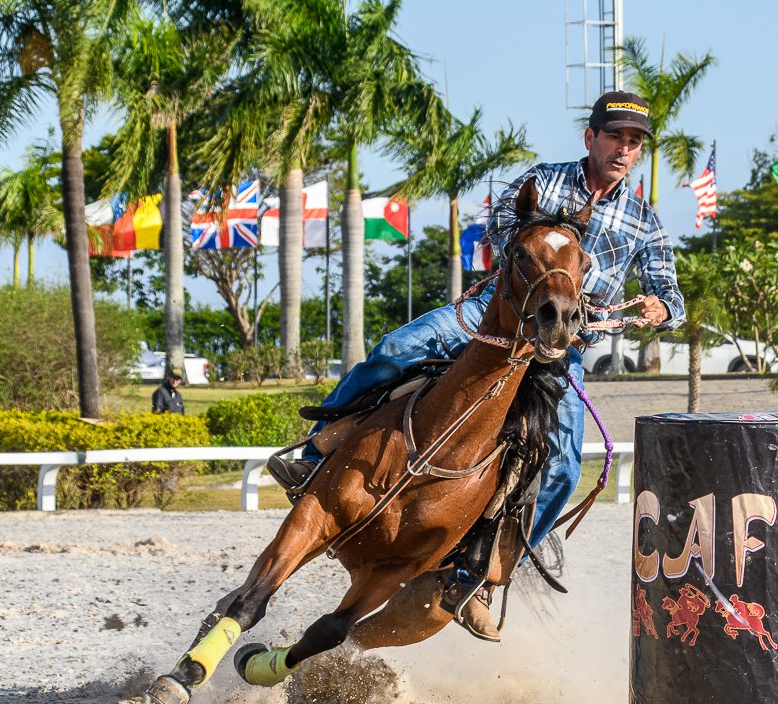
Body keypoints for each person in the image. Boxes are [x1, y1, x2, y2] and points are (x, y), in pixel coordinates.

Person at [268, 90, 684, 641]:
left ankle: (483, 575)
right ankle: (315, 449)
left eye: (633, 142)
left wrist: (659, 309)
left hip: (562, 350)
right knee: (395, 348)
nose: (624, 149)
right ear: (591, 138)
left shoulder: (644, 221)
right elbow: (497, 231)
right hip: (488, 318)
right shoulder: (544, 182)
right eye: (615, 137)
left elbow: (671, 298)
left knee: (561, 467)